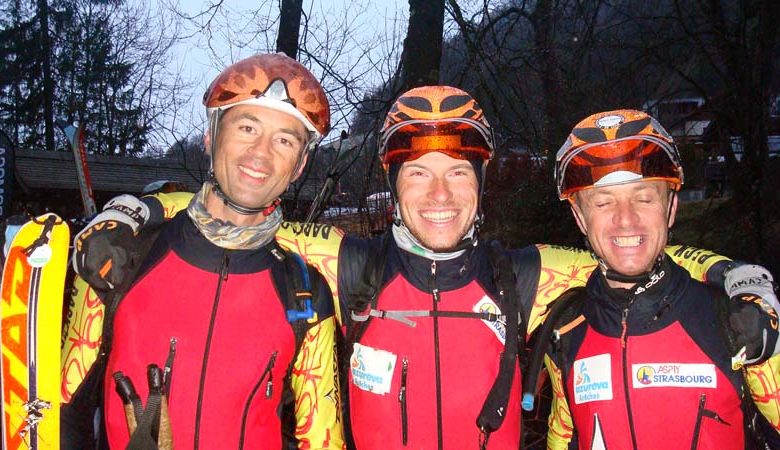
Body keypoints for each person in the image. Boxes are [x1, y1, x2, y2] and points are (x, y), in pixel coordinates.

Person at [72, 88, 779, 450]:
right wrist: (135, 209)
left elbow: (635, 260)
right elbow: (236, 211)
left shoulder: (526, 278)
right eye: (418, 173)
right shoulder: (349, 266)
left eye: (457, 172)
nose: (439, 195)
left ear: (481, 184)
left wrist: (741, 278)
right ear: (392, 184)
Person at [63, 53, 344, 450]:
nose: (261, 153)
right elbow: (65, 407)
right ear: (211, 137)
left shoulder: (305, 292)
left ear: (298, 166)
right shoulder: (124, 253)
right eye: (247, 127)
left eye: (284, 140)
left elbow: (323, 439)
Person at [540, 109, 779, 449]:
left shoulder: (736, 320)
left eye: (644, 198)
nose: (626, 219)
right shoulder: (566, 330)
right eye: (604, 203)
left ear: (671, 208)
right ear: (580, 217)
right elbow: (563, 436)